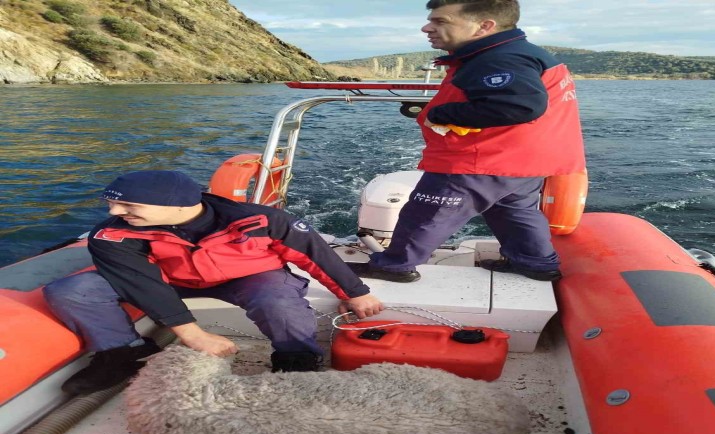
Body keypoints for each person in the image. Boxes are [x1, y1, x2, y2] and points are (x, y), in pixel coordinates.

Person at [44, 170, 384, 395]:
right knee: (74, 290)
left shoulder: (262, 219)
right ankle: (123, 352)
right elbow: (140, 283)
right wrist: (194, 334)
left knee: (277, 298)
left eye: (127, 205)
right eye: (112, 203)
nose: (114, 212)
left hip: (251, 277)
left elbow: (314, 253)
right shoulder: (113, 234)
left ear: (178, 205)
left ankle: (296, 359)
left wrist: (354, 293)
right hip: (168, 279)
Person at [350, 0, 586, 283]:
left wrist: (439, 113)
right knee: (515, 211)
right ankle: (535, 264)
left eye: (441, 21)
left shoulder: (497, 59)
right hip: (525, 159)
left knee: (427, 213)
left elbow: (521, 106)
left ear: (484, 26)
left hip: (481, 161)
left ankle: (393, 266)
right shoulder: (522, 52)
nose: (427, 28)